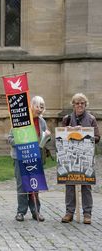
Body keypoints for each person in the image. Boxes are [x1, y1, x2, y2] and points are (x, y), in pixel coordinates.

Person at [8, 96, 50, 222]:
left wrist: (47, 137)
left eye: (42, 106)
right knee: (22, 186)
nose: (40, 109)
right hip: (20, 157)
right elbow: (10, 139)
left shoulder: (42, 122)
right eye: (37, 106)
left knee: (35, 185)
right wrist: (23, 141)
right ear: (31, 107)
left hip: (35, 158)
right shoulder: (20, 120)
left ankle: (36, 211)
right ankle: (21, 211)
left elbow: (43, 140)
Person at [61, 93, 100, 224]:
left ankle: (87, 213)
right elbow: (61, 136)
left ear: (85, 105)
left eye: (82, 103)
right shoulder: (67, 118)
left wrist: (83, 132)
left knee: (86, 184)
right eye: (77, 103)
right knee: (69, 183)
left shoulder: (91, 119)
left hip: (86, 157)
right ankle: (69, 212)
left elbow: (97, 138)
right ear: (73, 105)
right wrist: (68, 130)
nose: (79, 105)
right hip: (70, 156)